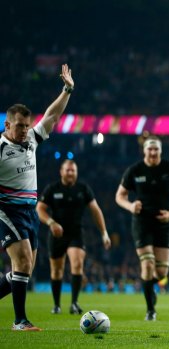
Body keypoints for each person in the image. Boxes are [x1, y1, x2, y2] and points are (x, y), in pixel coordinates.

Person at [0, 64, 74, 331]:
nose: (23, 130)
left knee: (25, 271)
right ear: (7, 124)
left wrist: (67, 89)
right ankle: (20, 321)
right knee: (21, 263)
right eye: (19, 126)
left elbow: (52, 116)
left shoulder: (31, 138)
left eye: (26, 126)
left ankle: (20, 318)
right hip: (6, 209)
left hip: (29, 211)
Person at [115, 135, 169, 321]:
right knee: (147, 265)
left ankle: (148, 288)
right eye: (150, 149)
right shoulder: (135, 170)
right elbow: (120, 196)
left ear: (160, 151)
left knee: (161, 272)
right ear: (144, 150)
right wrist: (131, 206)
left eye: (156, 149)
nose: (153, 152)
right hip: (141, 222)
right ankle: (150, 310)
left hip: (163, 222)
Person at [36, 160, 112, 315]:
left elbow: (95, 210)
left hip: (76, 233)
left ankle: (74, 303)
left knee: (77, 264)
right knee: (56, 271)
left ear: (76, 173)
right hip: (57, 234)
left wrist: (104, 233)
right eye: (68, 170)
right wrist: (51, 222)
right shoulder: (52, 189)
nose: (70, 173)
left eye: (73, 171)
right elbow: (40, 209)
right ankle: (56, 305)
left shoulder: (83, 189)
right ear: (61, 171)